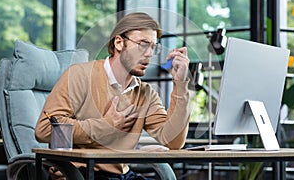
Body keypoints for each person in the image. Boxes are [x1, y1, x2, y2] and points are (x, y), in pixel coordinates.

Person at [35, 12, 190, 180]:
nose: (149, 54)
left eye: (153, 47)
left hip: (123, 175)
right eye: (143, 44)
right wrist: (105, 125)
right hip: (80, 174)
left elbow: (173, 141)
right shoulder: (80, 75)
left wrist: (180, 85)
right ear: (118, 43)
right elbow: (44, 129)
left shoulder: (145, 93)